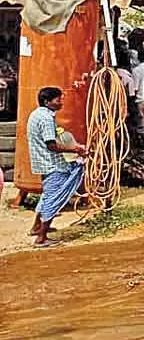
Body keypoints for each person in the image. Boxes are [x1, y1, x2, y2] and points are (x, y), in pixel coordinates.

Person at [27, 87, 88, 246]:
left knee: (47, 195)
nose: (61, 102)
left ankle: (36, 227)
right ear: (47, 102)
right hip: (52, 164)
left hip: (43, 163)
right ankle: (41, 238)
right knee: (54, 198)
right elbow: (51, 145)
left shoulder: (36, 114)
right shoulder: (46, 118)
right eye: (58, 100)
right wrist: (75, 149)